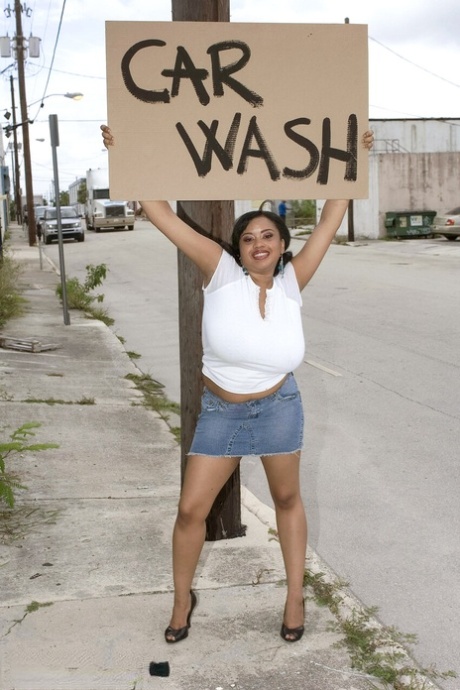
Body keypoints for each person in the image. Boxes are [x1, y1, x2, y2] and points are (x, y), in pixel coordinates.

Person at [101, 124, 373, 644]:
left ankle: (294, 596)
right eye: (248, 237)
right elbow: (158, 211)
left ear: (282, 244)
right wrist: (126, 151)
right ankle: (183, 599)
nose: (257, 244)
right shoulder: (220, 271)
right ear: (238, 248)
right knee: (190, 510)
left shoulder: (295, 280)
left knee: (288, 500)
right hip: (222, 412)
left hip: (278, 406)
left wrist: (353, 160)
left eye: (267, 235)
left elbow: (335, 213)